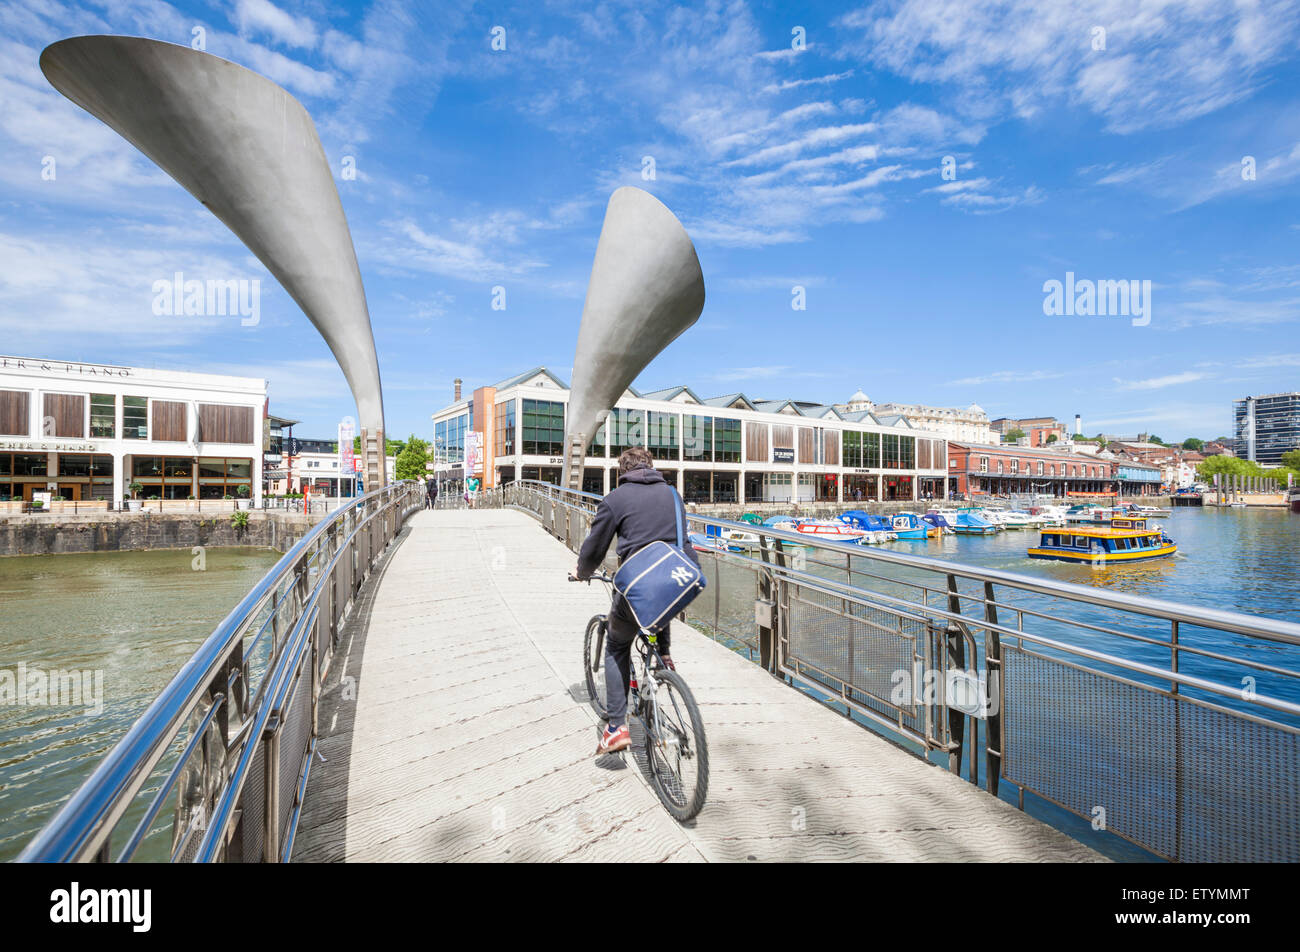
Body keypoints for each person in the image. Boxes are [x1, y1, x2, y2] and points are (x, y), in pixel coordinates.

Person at [573, 446, 699, 756]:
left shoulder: (616, 499)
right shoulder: (673, 495)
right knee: (659, 606)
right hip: (680, 579)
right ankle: (664, 657)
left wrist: (582, 571)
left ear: (622, 472)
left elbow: (595, 548)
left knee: (617, 646)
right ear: (652, 467)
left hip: (640, 584)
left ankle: (616, 727)